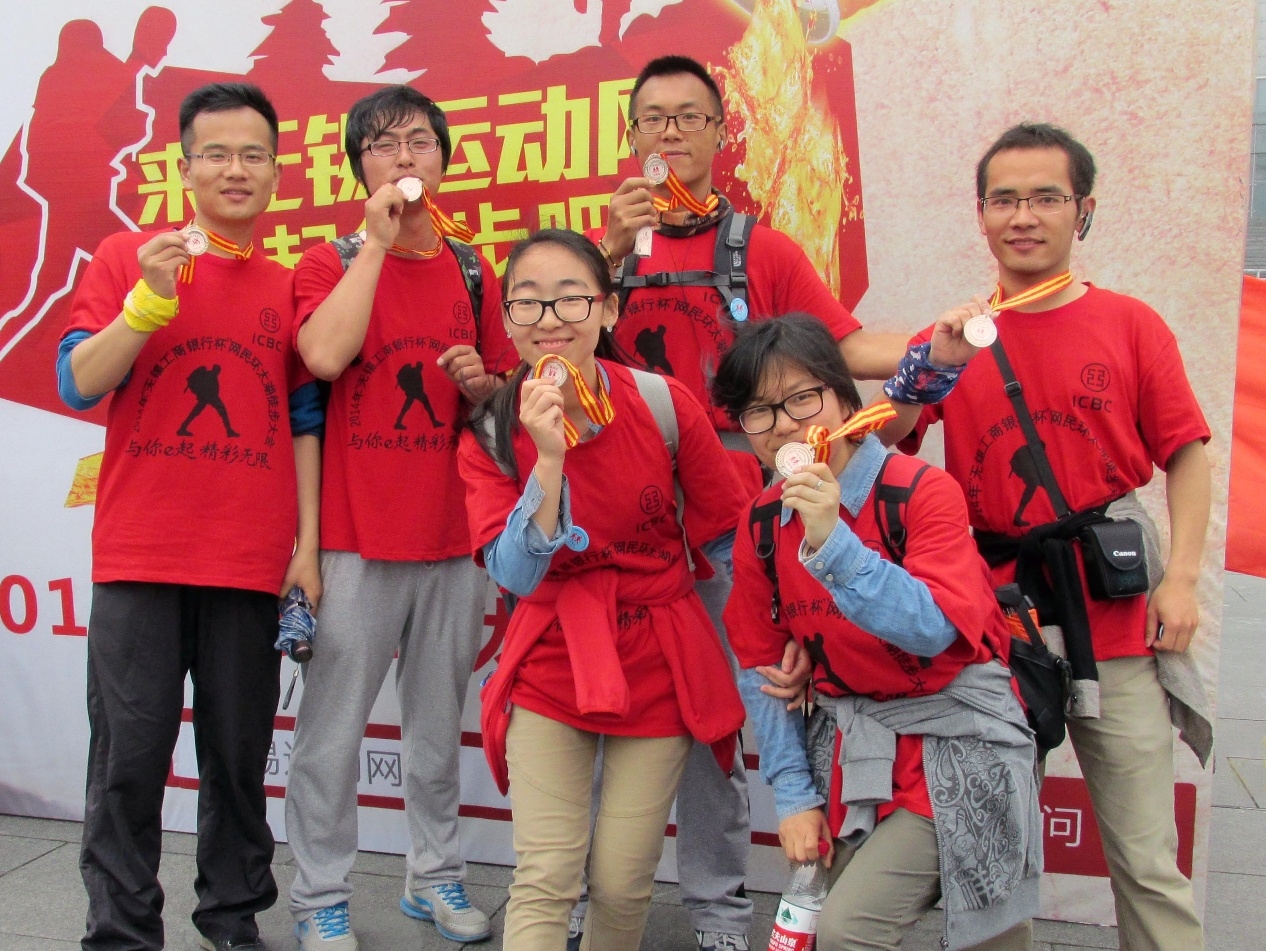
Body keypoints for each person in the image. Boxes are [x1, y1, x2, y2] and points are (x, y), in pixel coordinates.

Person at [584, 53, 909, 950]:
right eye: (653, 118)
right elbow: (543, 350)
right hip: (625, 524)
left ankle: (720, 908)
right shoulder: (599, 253)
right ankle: (583, 898)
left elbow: (842, 350)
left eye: (689, 116)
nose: (670, 133)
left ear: (720, 132)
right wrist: (608, 252)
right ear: (632, 135)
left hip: (735, 528)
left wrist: (941, 349)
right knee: (601, 714)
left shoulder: (760, 250)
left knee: (729, 718)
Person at [892, 123, 1213, 950]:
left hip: (1115, 619)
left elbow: (1186, 453)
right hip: (998, 621)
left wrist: (1182, 578)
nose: (1023, 216)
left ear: (1084, 210)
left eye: (1045, 197)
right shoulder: (953, 337)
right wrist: (930, 366)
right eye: (1004, 199)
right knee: (991, 851)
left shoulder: (1131, 324)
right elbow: (888, 439)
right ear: (980, 213)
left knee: (1145, 855)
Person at [56, 82, 322, 951]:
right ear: (185, 166)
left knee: (238, 759)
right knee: (127, 762)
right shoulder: (127, 256)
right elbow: (78, 381)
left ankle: (232, 917)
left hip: (248, 560)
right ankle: (121, 930)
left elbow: (305, 421)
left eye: (253, 155)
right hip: (140, 554)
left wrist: (307, 546)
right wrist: (145, 302)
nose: (234, 170)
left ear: (276, 172)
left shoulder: (287, 285)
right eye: (216, 153)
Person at [457, 229, 749, 951]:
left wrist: (775, 635)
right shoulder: (491, 431)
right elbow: (514, 575)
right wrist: (547, 462)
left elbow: (725, 538)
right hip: (550, 660)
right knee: (547, 876)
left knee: (621, 881)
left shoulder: (662, 403)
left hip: (658, 660)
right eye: (527, 303)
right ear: (507, 319)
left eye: (570, 299)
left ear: (609, 309)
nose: (549, 319)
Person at [714, 314, 1040, 951]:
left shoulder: (920, 492)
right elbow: (762, 667)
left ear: (844, 399)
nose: (783, 425)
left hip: (959, 740)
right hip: (851, 748)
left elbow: (934, 628)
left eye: (801, 398)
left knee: (852, 930)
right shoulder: (761, 522)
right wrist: (793, 797)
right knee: (817, 927)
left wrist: (831, 541)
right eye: (758, 411)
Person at [284, 85, 513, 949]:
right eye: (383, 144)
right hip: (354, 540)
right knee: (330, 733)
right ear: (359, 166)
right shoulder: (327, 261)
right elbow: (323, 354)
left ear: (445, 159)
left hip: (454, 539)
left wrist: (481, 384)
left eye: (420, 141)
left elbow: (500, 397)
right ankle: (319, 895)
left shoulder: (472, 269)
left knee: (435, 728)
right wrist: (376, 246)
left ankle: (435, 875)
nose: (405, 157)